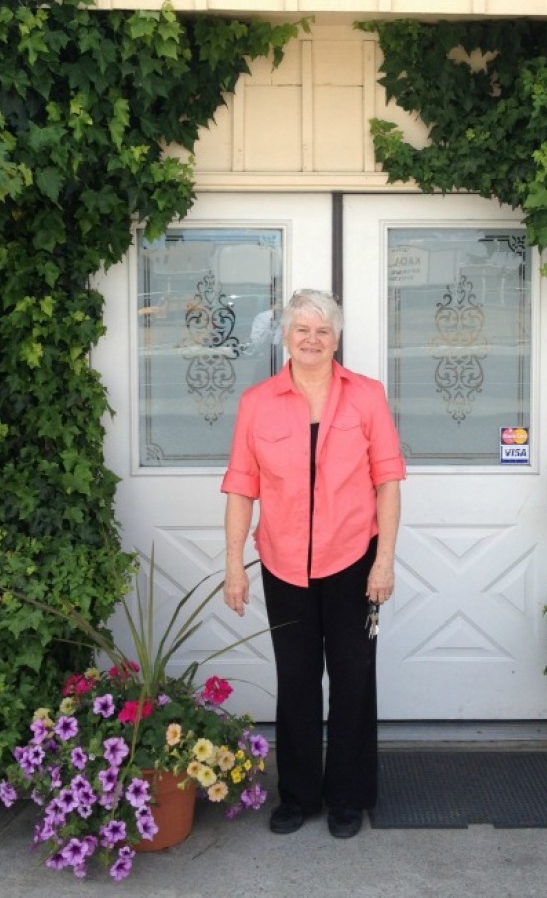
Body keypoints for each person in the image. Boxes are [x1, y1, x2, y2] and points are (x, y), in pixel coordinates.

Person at [221, 288, 405, 839]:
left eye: (323, 331)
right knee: (296, 680)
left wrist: (385, 561)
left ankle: (348, 798)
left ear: (337, 338)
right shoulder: (257, 403)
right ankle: (298, 796)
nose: (312, 339)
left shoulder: (367, 397)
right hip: (283, 565)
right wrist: (234, 564)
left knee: (353, 680)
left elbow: (388, 482)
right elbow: (240, 488)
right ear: (285, 336)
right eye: (302, 329)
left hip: (353, 561)